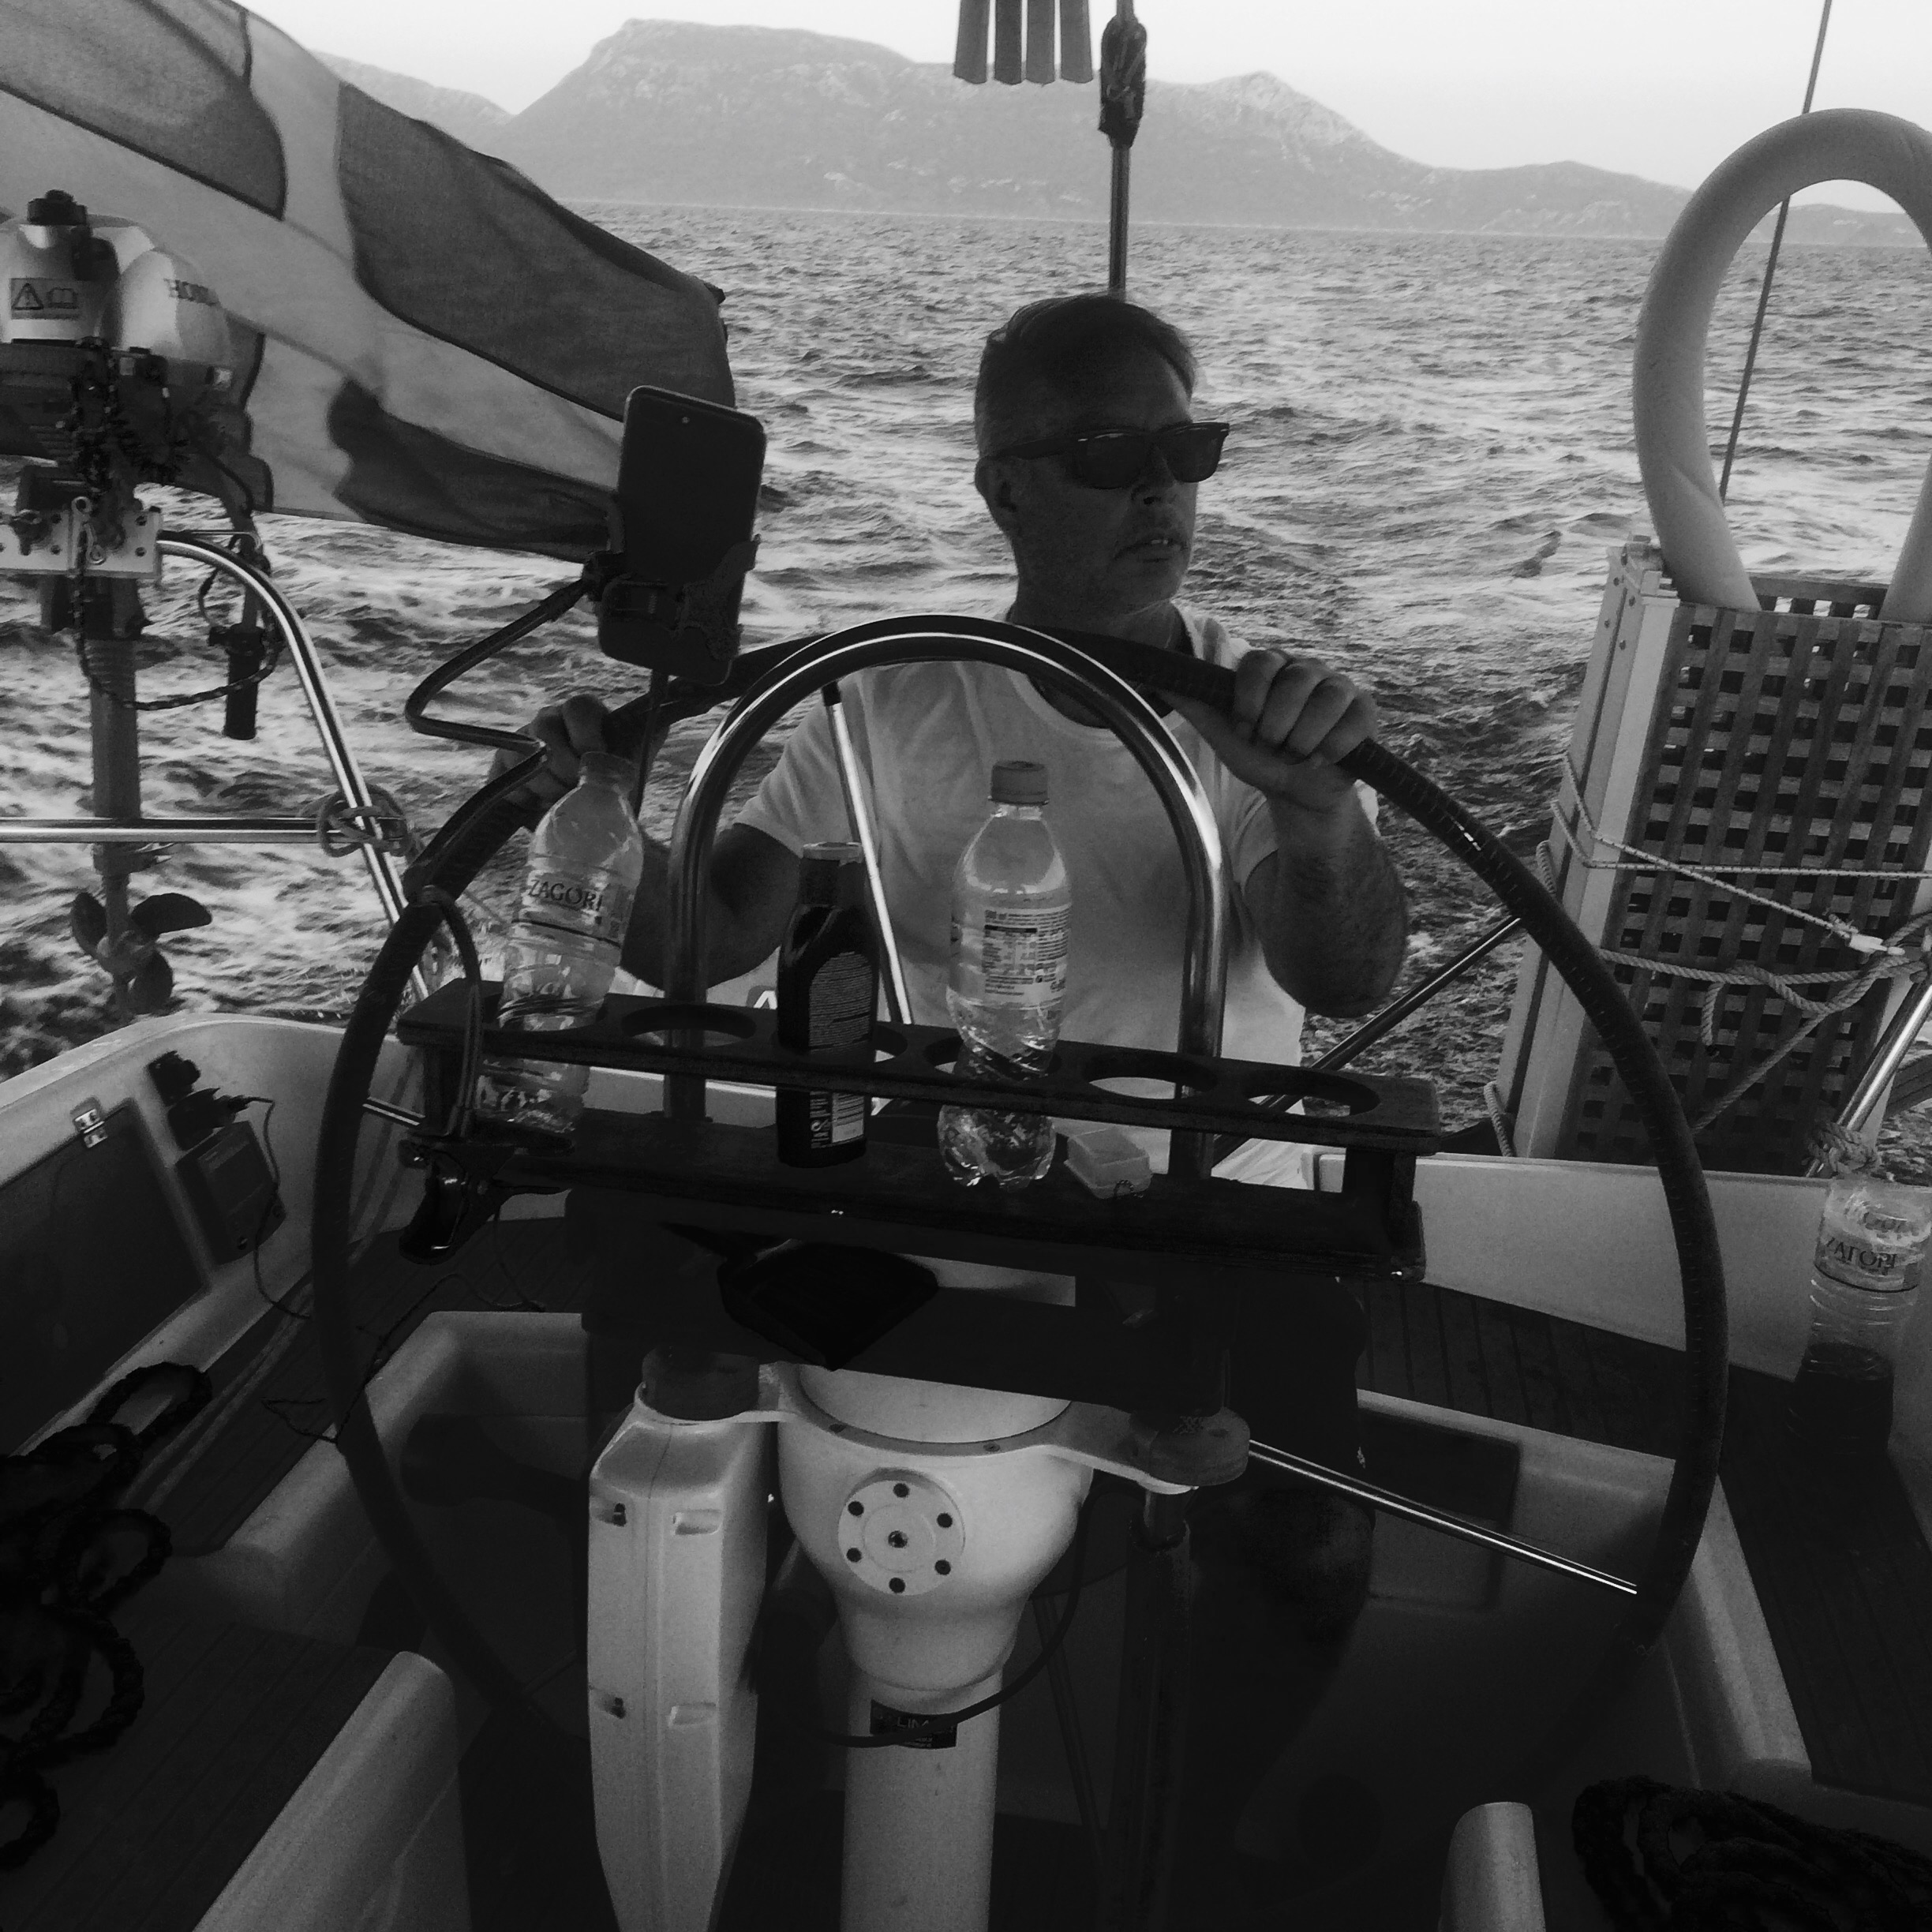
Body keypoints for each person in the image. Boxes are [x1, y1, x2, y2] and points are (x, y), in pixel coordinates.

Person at [503, 292, 1409, 1916]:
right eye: (1111, 452)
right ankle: (746, 1794)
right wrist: (606, 814)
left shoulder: (1255, 724)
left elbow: (1342, 975)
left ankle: (1192, 1857)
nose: (1162, 488)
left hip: (1219, 1212)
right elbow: (713, 938)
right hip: (962, 1194)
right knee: (673, 1378)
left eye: (1187, 448)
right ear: (1002, 488)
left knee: (1315, 1557)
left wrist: (1325, 819)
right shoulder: (889, 701)